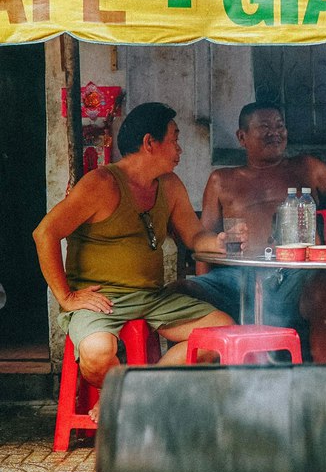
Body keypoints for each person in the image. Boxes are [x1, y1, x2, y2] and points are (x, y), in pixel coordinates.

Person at [33, 102, 235, 420]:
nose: (180, 148)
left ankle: (134, 392)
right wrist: (67, 297)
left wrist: (220, 242)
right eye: (175, 138)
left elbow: (195, 238)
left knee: (223, 334)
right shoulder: (101, 184)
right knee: (97, 355)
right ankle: (129, 393)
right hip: (102, 300)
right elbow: (45, 233)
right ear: (149, 143)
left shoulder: (169, 186)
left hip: (153, 298)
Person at [183, 101, 326, 363]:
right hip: (236, 276)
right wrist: (208, 288)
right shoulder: (221, 180)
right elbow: (205, 244)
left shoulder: (306, 167)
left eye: (280, 126)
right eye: (265, 127)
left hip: (296, 274)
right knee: (180, 291)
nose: (275, 132)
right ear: (241, 137)